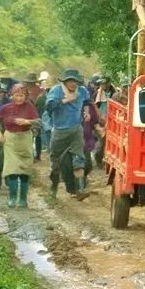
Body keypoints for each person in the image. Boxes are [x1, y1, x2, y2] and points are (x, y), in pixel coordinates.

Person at [45, 69, 93, 200]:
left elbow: (87, 101)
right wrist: (64, 100)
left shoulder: (82, 90)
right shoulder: (56, 90)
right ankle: (53, 187)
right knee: (55, 160)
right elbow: (48, 106)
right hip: (59, 130)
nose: (73, 84)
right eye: (70, 81)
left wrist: (86, 112)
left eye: (75, 81)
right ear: (64, 82)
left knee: (79, 158)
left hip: (76, 129)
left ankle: (80, 190)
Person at [0, 84, 39, 208]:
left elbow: (38, 122)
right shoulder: (5, 108)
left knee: (25, 170)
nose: (19, 98)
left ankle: (23, 199)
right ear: (11, 96)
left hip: (25, 139)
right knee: (12, 169)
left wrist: (27, 121)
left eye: (22, 96)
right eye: (16, 95)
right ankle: (12, 197)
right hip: (10, 139)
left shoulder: (29, 107)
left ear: (25, 96)